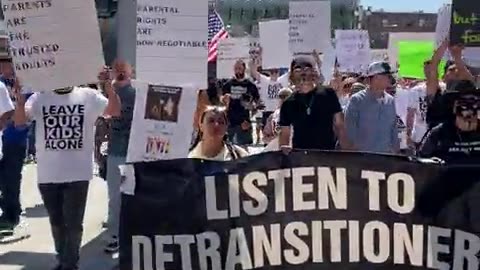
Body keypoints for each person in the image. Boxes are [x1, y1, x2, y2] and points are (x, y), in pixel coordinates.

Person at [15, 67, 121, 270]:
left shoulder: (89, 96)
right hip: (48, 174)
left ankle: (70, 264)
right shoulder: (40, 97)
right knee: (56, 222)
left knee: (73, 224)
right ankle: (62, 258)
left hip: (78, 173)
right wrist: (20, 98)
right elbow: (20, 122)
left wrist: (108, 85)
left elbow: (114, 111)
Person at [278, 56, 351, 152]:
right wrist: (284, 150)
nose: (303, 74)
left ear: (313, 73)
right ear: (292, 75)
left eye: (307, 69)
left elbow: (340, 125)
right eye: (298, 70)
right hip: (301, 157)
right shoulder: (288, 104)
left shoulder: (328, 94)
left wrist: (348, 152)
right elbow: (285, 134)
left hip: (327, 155)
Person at [104, 60, 136, 254]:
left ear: (131, 71)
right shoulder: (106, 93)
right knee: (115, 197)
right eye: (118, 69)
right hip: (115, 151)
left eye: (124, 69)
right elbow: (102, 121)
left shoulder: (138, 93)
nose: (121, 72)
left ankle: (131, 233)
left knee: (133, 195)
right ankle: (115, 235)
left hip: (135, 152)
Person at [0, 58, 33, 238]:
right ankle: (8, 208)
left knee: (11, 179)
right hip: (2, 139)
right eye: (2, 64)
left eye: (8, 64)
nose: (5, 68)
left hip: (16, 138)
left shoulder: (29, 85)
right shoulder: (0, 83)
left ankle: (12, 216)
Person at [345, 61, 400, 154]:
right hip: (363, 158)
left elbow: (393, 128)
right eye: (387, 76)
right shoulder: (357, 100)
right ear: (376, 77)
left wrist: (395, 150)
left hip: (385, 157)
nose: (390, 79)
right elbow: (350, 129)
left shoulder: (390, 101)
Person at [419, 90, 480, 164]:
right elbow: (421, 160)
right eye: (464, 102)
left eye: (474, 102)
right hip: (448, 174)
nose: (469, 108)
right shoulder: (439, 132)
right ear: (454, 107)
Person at [222, 59, 260, 147]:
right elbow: (222, 101)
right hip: (230, 121)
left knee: (244, 149)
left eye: (239, 68)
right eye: (236, 68)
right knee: (228, 147)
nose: (238, 70)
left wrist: (250, 115)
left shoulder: (250, 85)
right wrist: (224, 100)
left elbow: (257, 102)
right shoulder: (228, 84)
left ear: (244, 69)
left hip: (244, 121)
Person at [263, 87, 293, 152]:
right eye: (281, 97)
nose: (283, 99)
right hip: (275, 150)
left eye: (286, 96)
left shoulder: (298, 114)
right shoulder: (273, 116)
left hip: (292, 149)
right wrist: (274, 137)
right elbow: (265, 138)